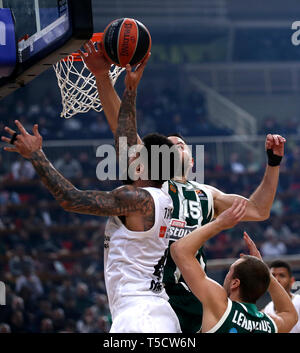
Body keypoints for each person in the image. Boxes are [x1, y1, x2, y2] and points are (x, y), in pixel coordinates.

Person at [80, 40, 286, 332]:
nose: (175, 144)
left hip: (190, 296)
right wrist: (102, 77)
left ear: (191, 162)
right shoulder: (151, 182)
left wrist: (273, 164)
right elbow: (122, 128)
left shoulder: (207, 195)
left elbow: (259, 209)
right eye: (169, 144)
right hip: (148, 296)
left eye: (182, 144)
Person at [1, 65, 181, 333]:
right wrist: (130, 89)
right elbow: (126, 136)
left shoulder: (136, 199)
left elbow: (71, 199)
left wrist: (36, 156)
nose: (131, 152)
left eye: (138, 153)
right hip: (157, 312)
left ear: (144, 165)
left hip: (140, 317)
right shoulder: (161, 193)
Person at [170, 199, 298, 333]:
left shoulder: (220, 307)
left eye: (229, 272)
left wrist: (219, 224)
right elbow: (290, 314)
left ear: (235, 283)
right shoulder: (271, 324)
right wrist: (263, 271)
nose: (226, 276)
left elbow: (179, 250)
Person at [263, 260, 300, 333]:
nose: (276, 280)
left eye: (282, 275)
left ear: (292, 281)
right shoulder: (267, 309)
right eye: (273, 276)